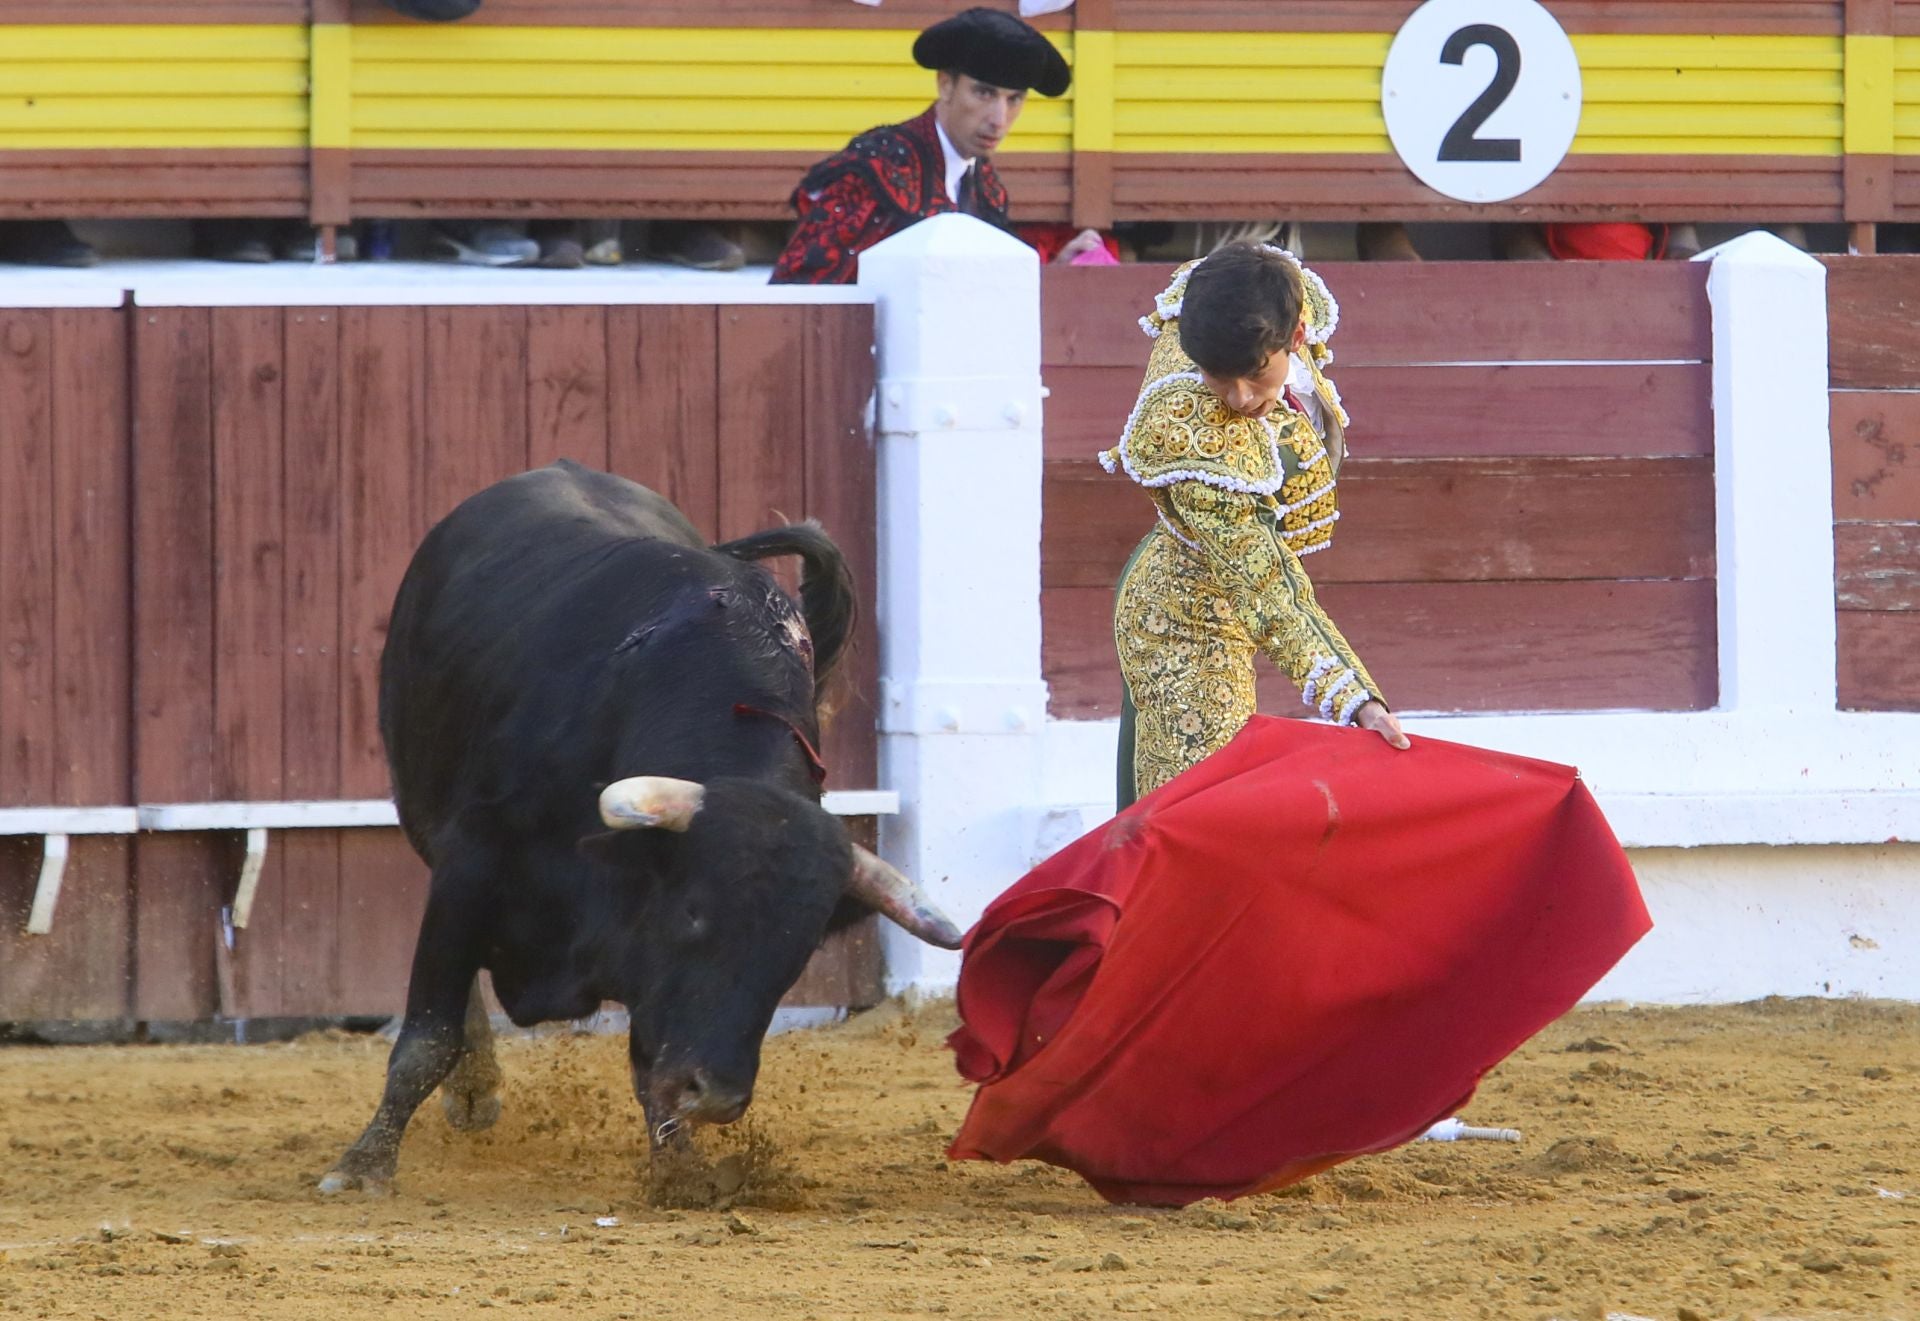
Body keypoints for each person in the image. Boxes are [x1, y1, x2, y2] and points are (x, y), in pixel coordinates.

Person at [1101, 241, 1408, 807]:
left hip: (1234, 598)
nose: (1239, 398)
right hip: (1184, 622)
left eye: (1252, 373)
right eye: (1218, 377)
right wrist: (1355, 696)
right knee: (1195, 822)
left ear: (1294, 337)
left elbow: (1236, 276)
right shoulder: (1190, 430)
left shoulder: (1265, 297)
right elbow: (1266, 589)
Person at [771, 7, 1101, 284]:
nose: (999, 118)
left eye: (1014, 99)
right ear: (946, 85)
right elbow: (798, 294)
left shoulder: (986, 187)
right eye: (984, 93)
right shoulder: (878, 169)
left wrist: (1052, 274)